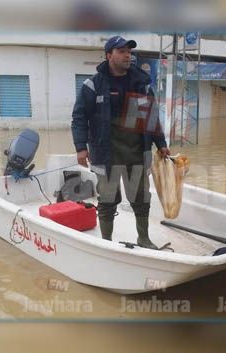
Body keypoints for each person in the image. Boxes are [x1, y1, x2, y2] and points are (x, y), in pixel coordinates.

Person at [71, 35, 170, 250]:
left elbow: (151, 117)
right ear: (109, 56)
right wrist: (80, 147)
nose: (128, 55)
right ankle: (106, 242)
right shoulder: (92, 85)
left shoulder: (142, 84)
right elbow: (79, 118)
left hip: (136, 151)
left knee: (141, 198)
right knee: (107, 200)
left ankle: (143, 238)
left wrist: (161, 143)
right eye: (122, 51)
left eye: (129, 52)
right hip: (106, 153)